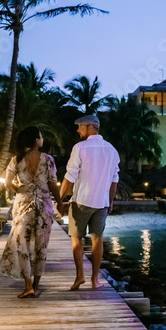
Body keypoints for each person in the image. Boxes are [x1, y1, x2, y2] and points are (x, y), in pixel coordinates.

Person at [0, 126, 64, 298]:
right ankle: (36, 285)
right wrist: (60, 203)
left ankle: (28, 285)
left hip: (23, 205)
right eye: (41, 136)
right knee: (41, 245)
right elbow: (52, 184)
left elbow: (7, 183)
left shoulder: (16, 160)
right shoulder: (48, 159)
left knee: (22, 244)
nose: (42, 139)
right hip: (43, 206)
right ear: (37, 140)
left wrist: (19, 190)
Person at [59, 115, 120, 290]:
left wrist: (59, 199)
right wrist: (110, 200)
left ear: (90, 127)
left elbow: (70, 176)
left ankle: (80, 276)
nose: (78, 130)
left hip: (81, 201)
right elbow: (115, 178)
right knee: (97, 238)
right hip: (101, 202)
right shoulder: (111, 150)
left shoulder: (80, 148)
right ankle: (95, 280)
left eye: (80, 127)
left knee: (76, 238)